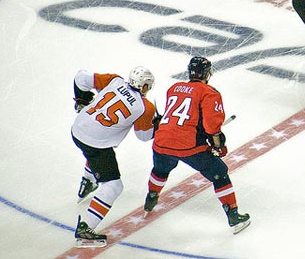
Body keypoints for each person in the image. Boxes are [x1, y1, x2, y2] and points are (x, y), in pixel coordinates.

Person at [144, 56, 251, 234]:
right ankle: (233, 215)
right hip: (189, 145)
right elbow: (212, 127)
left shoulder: (174, 88)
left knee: (161, 170)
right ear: (207, 73)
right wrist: (219, 146)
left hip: (161, 141)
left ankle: (152, 196)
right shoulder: (209, 92)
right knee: (220, 174)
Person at [71, 66, 159, 247]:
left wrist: (82, 100)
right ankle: (86, 228)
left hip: (78, 128)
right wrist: (157, 125)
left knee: (98, 154)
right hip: (96, 143)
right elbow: (143, 136)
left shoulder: (114, 80)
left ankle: (89, 180)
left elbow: (80, 77)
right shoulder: (145, 107)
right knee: (113, 186)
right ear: (143, 86)